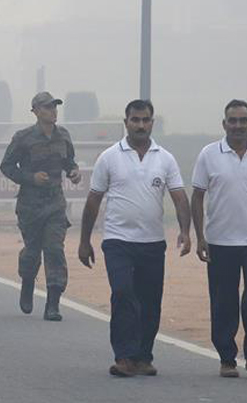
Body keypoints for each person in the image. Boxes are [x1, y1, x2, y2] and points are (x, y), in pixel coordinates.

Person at [78, 99, 191, 377]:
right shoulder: (109, 157)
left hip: (152, 242)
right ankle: (124, 356)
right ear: (126, 122)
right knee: (123, 293)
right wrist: (84, 240)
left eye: (145, 120)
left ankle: (143, 356)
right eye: (135, 120)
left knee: (150, 299)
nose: (140, 125)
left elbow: (179, 197)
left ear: (152, 122)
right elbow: (94, 200)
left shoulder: (165, 158)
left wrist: (186, 232)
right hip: (117, 240)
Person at [190, 99, 247, 380]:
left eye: (243, 121)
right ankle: (227, 358)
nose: (238, 126)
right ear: (224, 124)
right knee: (223, 301)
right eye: (233, 120)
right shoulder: (209, 154)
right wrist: (200, 236)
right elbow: (197, 195)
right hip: (220, 241)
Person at [0, 92, 80, 320]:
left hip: (55, 203)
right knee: (33, 251)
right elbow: (7, 167)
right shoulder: (23, 137)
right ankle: (27, 281)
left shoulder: (63, 135)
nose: (53, 111)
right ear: (35, 111)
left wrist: (73, 172)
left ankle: (53, 303)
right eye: (47, 107)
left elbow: (69, 162)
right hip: (30, 205)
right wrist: (31, 177)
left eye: (54, 107)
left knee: (55, 249)